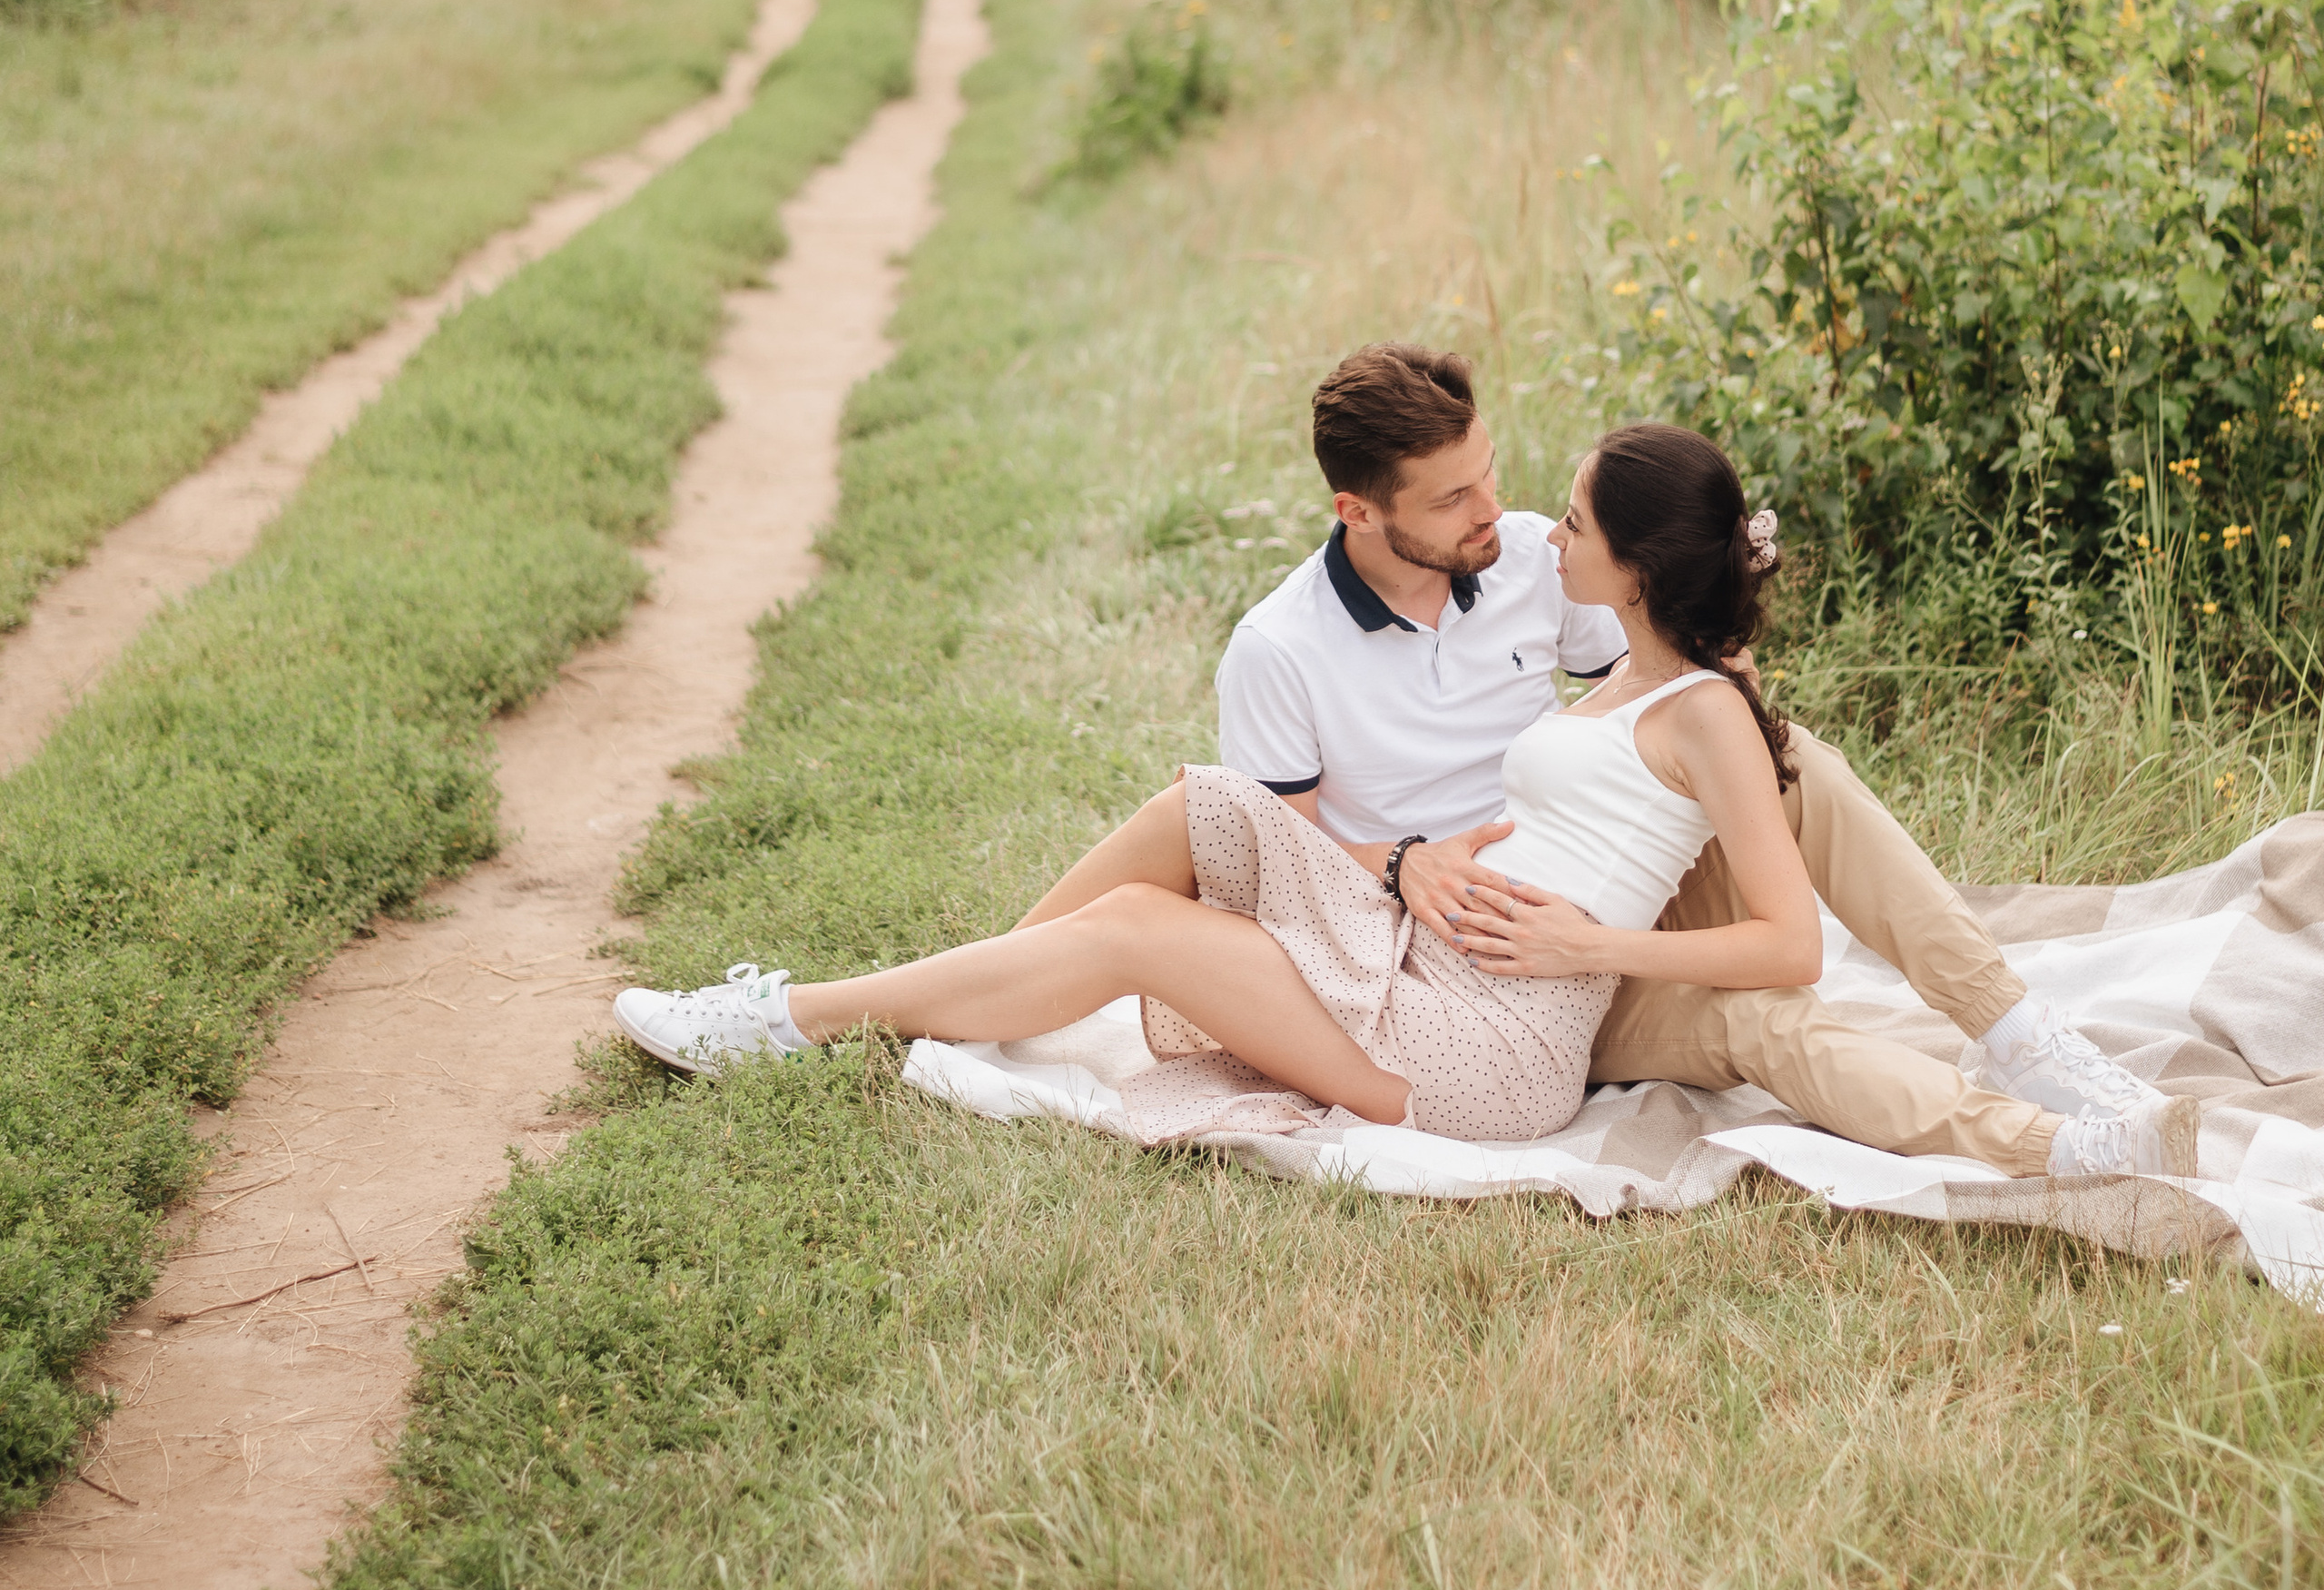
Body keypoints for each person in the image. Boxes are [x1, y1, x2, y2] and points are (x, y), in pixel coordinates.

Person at [611, 401, 2196, 1180]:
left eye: (1545, 508)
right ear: (1365, 510)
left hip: (1517, 1001)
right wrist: (1417, 861)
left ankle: (2030, 1066)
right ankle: (974, 987)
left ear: (1620, 571)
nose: (1514, 526)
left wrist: (1587, 939)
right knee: (1203, 812)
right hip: (1424, 937)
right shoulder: (1310, 649)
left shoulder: (1625, 646)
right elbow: (1366, 832)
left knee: (1796, 767)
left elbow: (1729, 836)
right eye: (1467, 499)